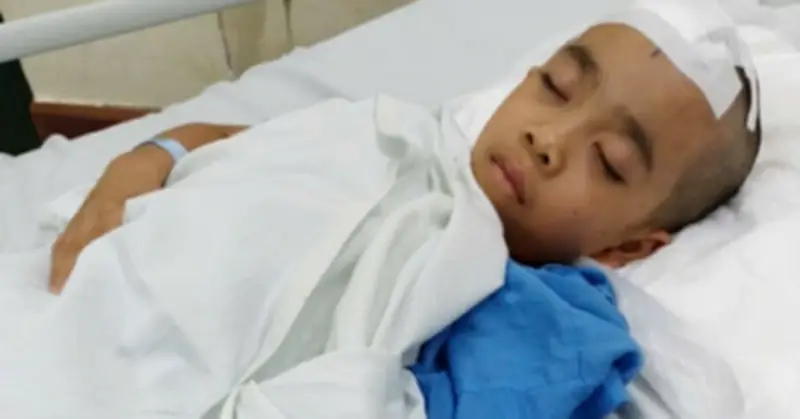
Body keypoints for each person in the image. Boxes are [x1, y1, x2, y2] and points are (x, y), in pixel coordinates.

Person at [48, 23, 759, 294]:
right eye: (557, 86)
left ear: (629, 246)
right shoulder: (400, 136)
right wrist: (147, 159)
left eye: (608, 160)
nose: (548, 139)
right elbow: (235, 140)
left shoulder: (527, 316)